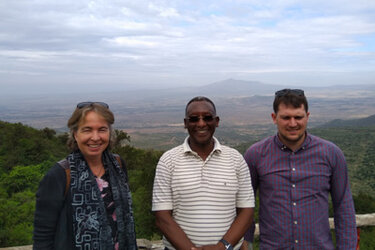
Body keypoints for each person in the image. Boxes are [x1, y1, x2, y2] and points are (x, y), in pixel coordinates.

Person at [243, 89, 357, 249]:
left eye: (298, 117)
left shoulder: (331, 154)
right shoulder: (255, 155)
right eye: (286, 117)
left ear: (307, 117)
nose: (292, 123)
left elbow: (343, 206)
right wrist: (245, 244)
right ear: (274, 118)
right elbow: (245, 206)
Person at [152, 96, 255, 250]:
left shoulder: (236, 159)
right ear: (186, 123)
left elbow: (246, 211)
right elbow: (162, 217)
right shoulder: (168, 161)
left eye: (207, 118)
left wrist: (223, 246)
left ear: (217, 121)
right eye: (194, 119)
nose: (201, 123)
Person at [33, 102, 137, 250]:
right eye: (87, 130)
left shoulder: (118, 165)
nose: (95, 137)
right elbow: (43, 235)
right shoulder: (59, 175)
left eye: (102, 129)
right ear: (75, 134)